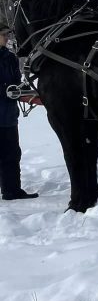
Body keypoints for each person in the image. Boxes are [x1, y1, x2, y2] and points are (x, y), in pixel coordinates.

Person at [0, 24, 37, 201]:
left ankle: (11, 190)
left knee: (12, 153)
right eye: (3, 35)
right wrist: (5, 90)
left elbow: (15, 81)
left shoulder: (10, 57)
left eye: (7, 34)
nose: (7, 38)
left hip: (8, 117)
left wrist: (24, 89)